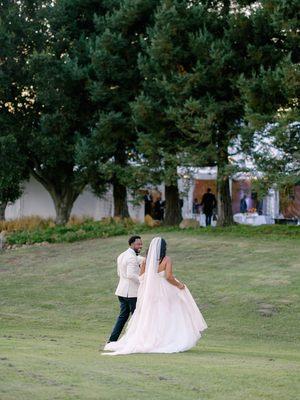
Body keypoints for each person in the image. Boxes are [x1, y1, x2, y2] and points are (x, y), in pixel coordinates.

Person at [103, 237, 207, 355]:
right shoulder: (166, 259)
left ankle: (151, 339)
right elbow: (169, 277)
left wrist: (150, 282)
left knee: (151, 315)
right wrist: (180, 285)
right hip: (165, 291)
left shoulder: (145, 261)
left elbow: (141, 278)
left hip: (149, 292)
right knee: (167, 314)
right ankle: (166, 340)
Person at [106, 235, 144, 343]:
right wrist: (143, 281)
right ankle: (134, 341)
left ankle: (112, 340)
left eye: (141, 244)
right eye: (138, 244)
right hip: (131, 293)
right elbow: (131, 274)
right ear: (131, 244)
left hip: (121, 291)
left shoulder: (122, 255)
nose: (140, 246)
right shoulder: (131, 257)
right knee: (136, 318)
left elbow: (119, 273)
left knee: (122, 317)